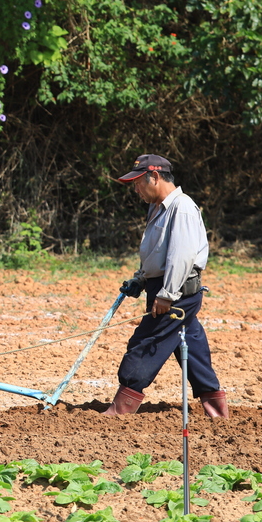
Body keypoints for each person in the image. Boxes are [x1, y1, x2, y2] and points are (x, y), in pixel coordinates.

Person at [102, 154, 229, 418]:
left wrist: (167, 294)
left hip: (176, 293)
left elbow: (181, 256)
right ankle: (216, 408)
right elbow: (157, 252)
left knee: (145, 343)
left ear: (155, 177)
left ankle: (121, 408)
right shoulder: (158, 207)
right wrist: (140, 278)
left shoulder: (181, 208)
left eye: (138, 183)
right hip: (165, 289)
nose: (136, 189)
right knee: (191, 345)